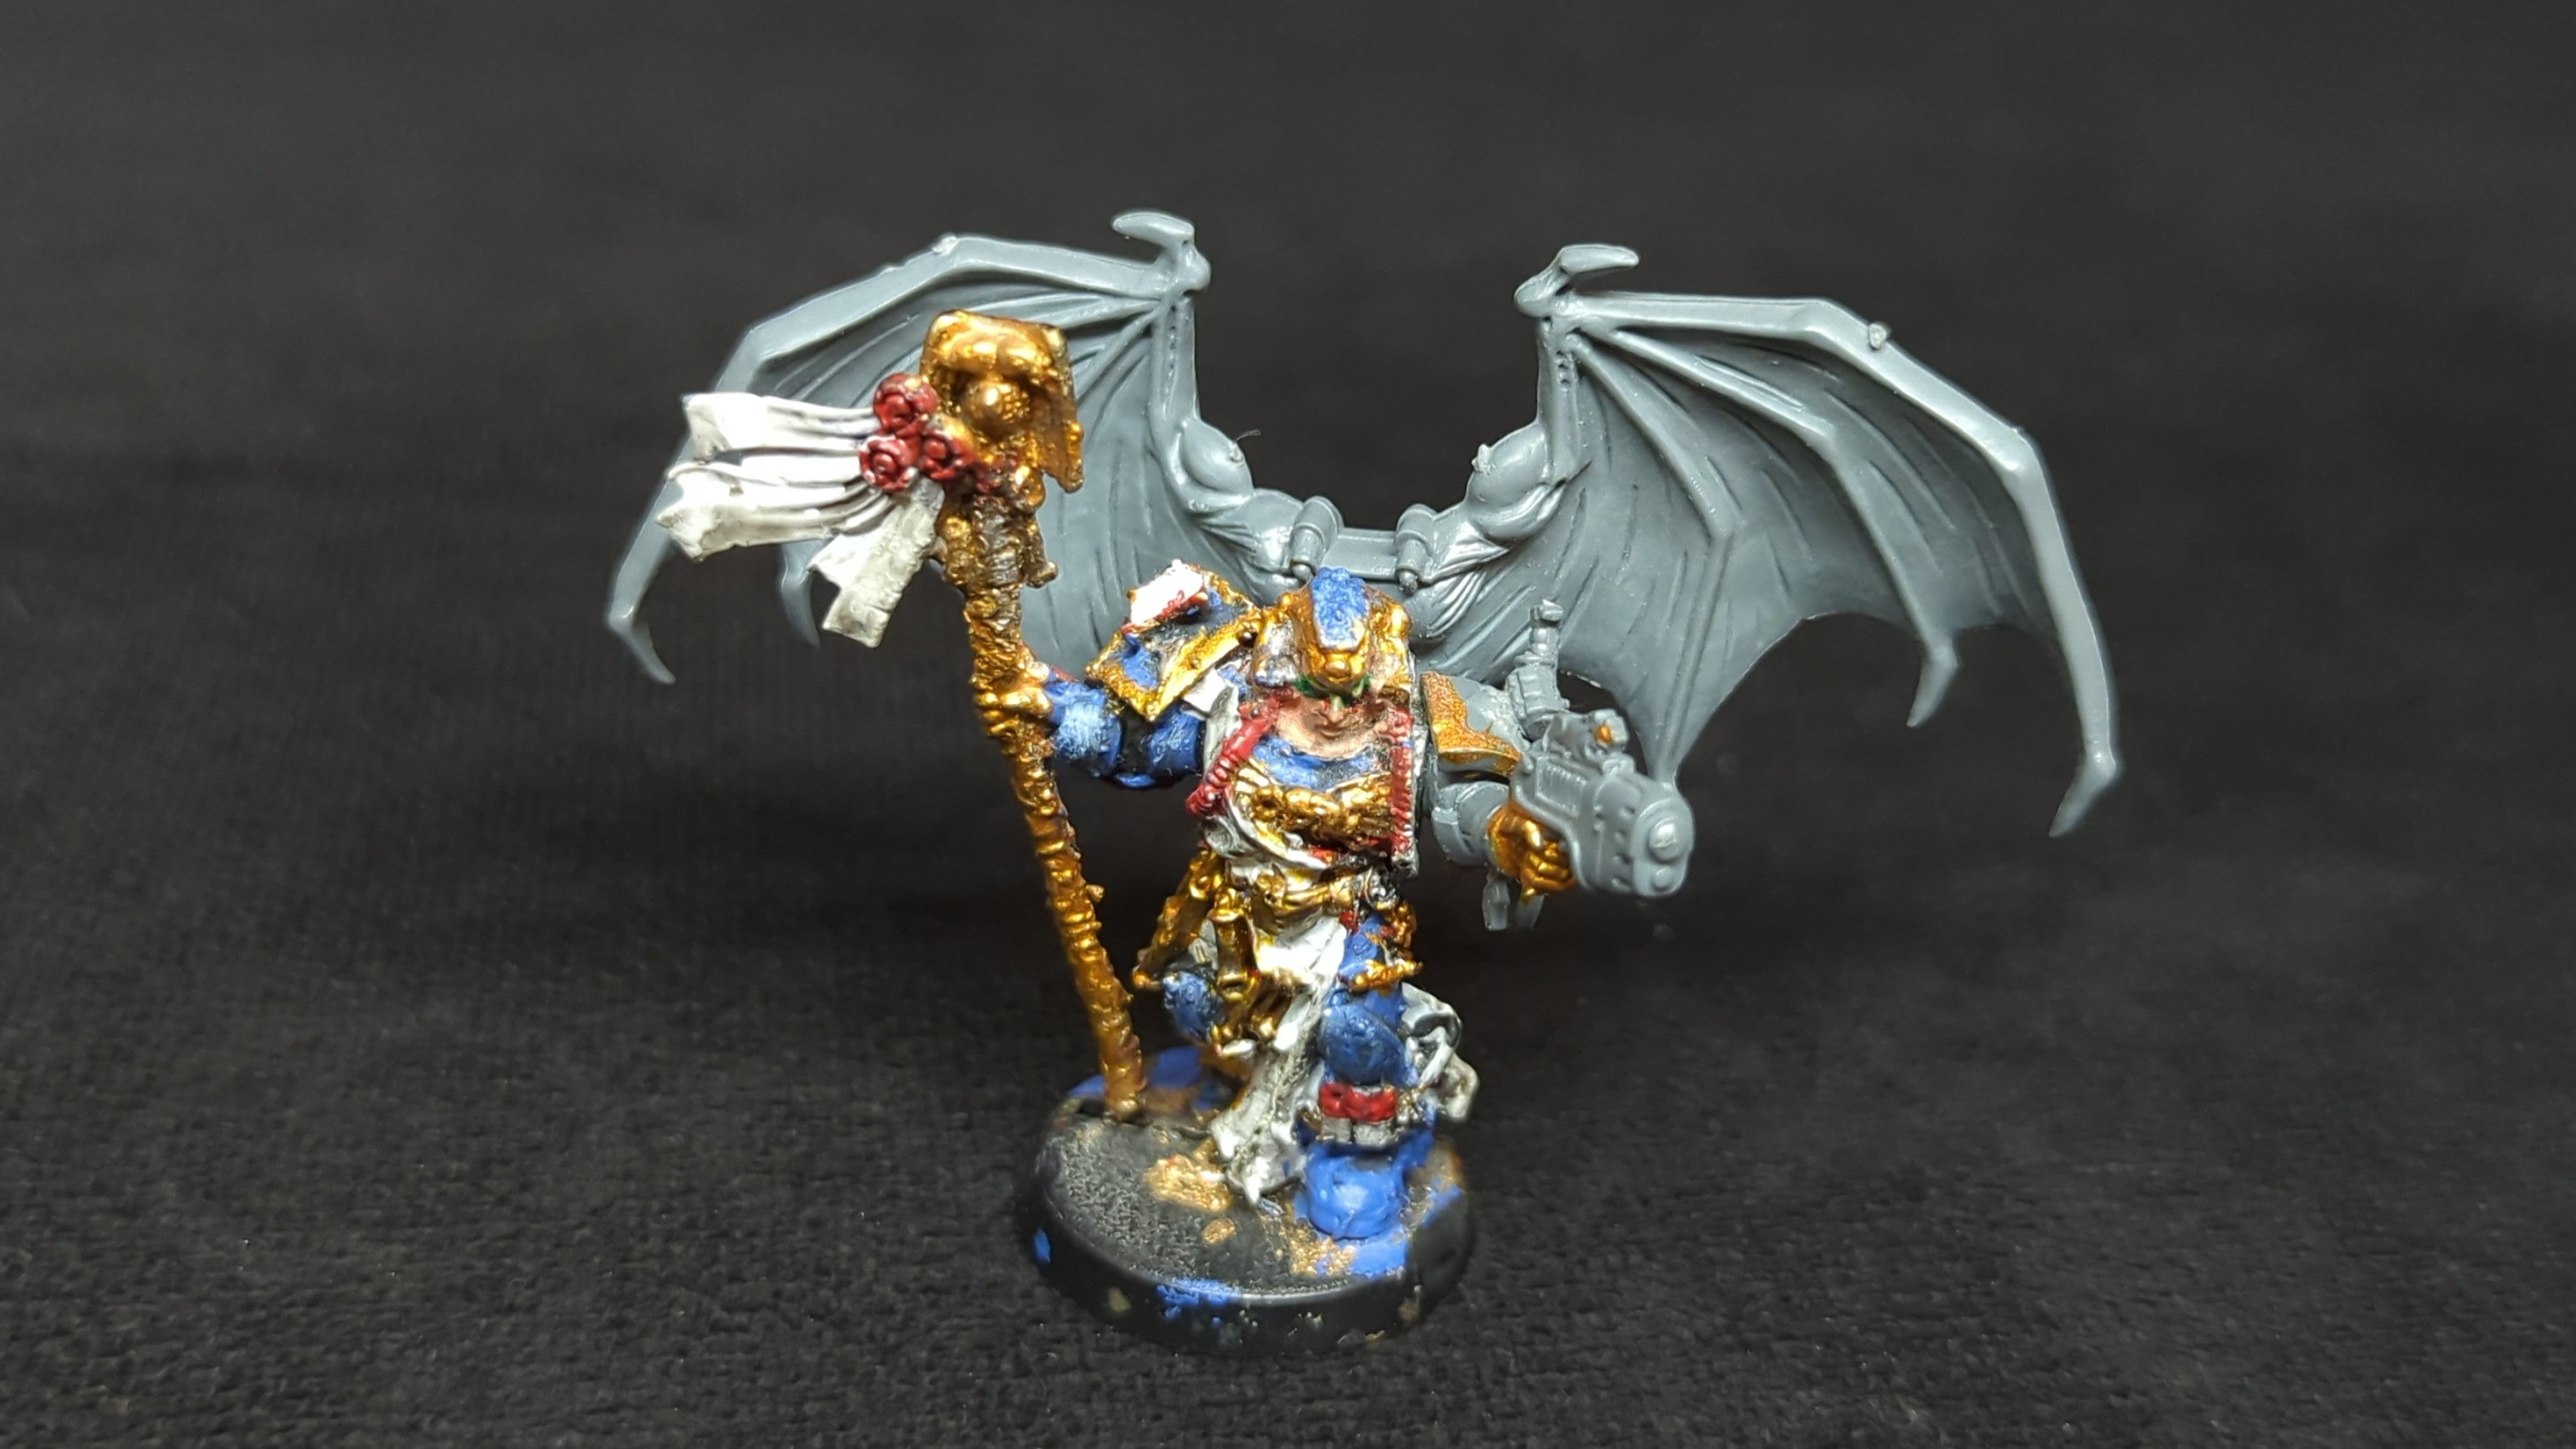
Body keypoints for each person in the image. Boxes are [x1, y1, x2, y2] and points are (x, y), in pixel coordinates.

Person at [1039, 561, 1573, 1238]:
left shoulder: (1410, 731)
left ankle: (1358, 1155)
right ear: (1285, 669)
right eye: (1318, 691)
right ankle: (1252, 1078)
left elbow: (1463, 803)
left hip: (1347, 920)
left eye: (1356, 694)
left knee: (1355, 1036)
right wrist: (1057, 712)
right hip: (1238, 912)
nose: (1336, 712)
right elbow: (1134, 745)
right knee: (1192, 1002)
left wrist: (1505, 832)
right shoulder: (1231, 706)